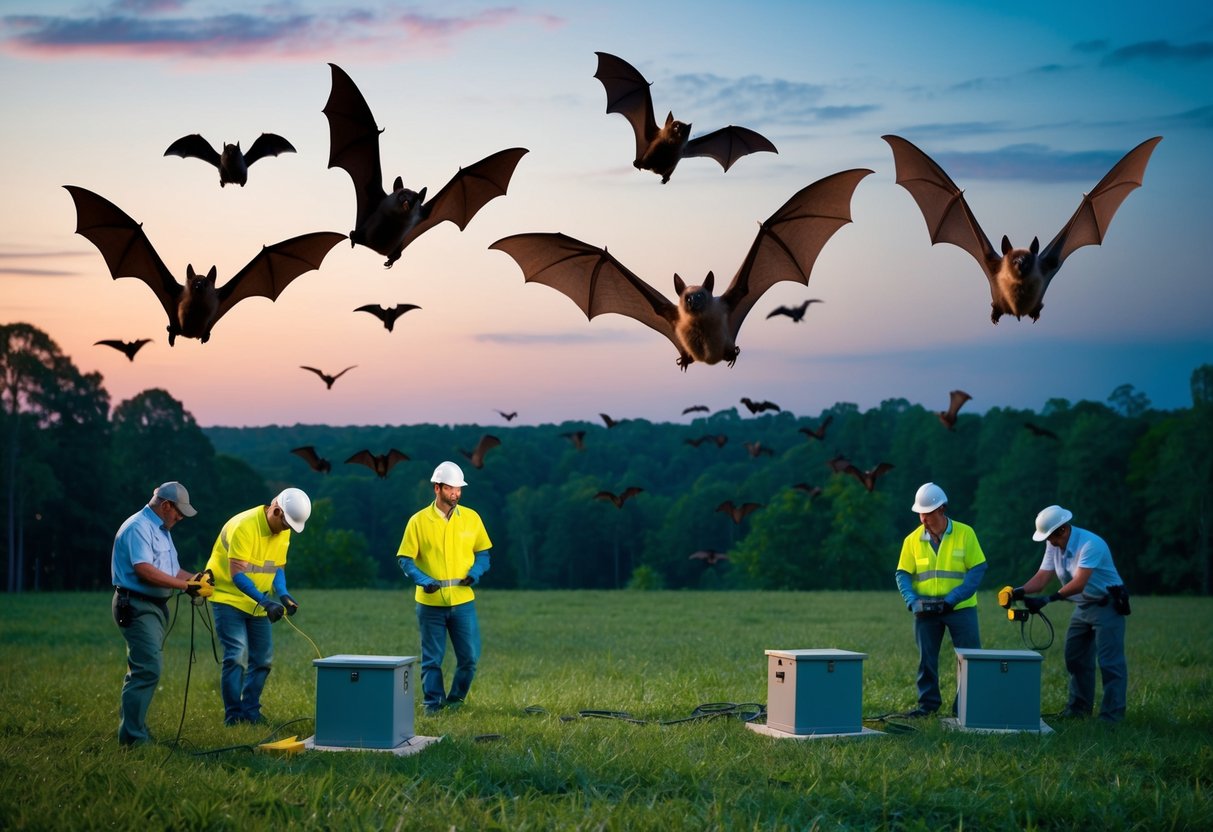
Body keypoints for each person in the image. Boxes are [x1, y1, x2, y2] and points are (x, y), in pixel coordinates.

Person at [111, 481, 211, 747]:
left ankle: (135, 730)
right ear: (166, 505)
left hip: (154, 607)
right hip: (136, 604)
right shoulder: (138, 527)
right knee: (147, 669)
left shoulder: (162, 529)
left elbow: (172, 570)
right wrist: (186, 586)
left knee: (143, 669)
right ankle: (132, 739)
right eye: (178, 512)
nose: (180, 518)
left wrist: (199, 580)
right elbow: (144, 569)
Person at [1009, 505, 1129, 722]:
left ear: (1063, 530)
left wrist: (1048, 599)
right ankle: (1078, 710)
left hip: (1107, 605)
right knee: (1074, 657)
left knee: (1110, 663)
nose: (1050, 542)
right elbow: (1043, 577)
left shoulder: (1091, 544)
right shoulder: (1053, 544)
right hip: (1082, 607)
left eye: (1052, 537)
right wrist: (1018, 592)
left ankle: (1112, 717)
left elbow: (1079, 583)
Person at [205, 487, 310, 726]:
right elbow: (237, 575)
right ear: (276, 510)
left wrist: (282, 595)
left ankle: (251, 712)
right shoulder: (244, 526)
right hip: (228, 599)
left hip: (259, 602)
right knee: (236, 657)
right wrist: (266, 602)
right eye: (286, 524)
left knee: (263, 659)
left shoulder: (284, 530)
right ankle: (233, 716)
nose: (287, 530)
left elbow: (277, 567)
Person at [397, 461, 493, 715]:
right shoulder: (418, 521)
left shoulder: (471, 518)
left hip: (463, 602)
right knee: (432, 660)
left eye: (459, 489)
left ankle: (455, 701)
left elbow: (483, 554)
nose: (457, 494)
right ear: (437, 488)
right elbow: (405, 559)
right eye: (451, 489)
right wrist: (423, 580)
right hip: (430, 604)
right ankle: (433, 706)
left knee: (469, 659)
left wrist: (475, 573)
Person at [894, 482, 988, 717]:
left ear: (942, 509)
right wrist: (911, 600)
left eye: (928, 512)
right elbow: (902, 574)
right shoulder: (911, 540)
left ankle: (967, 708)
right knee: (926, 659)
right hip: (925, 609)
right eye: (920, 513)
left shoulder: (966, 534)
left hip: (961, 608)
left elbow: (978, 570)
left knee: (969, 659)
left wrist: (953, 599)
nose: (923, 518)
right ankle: (927, 706)